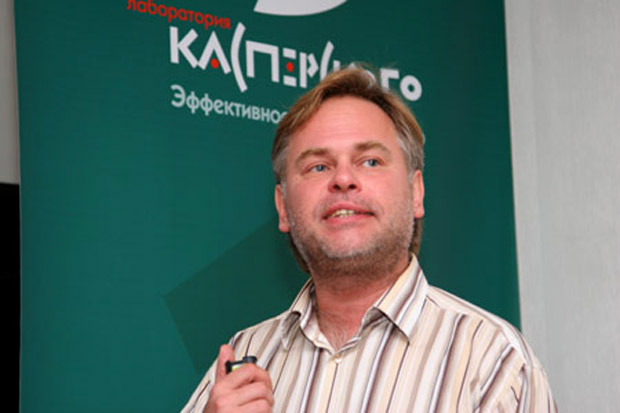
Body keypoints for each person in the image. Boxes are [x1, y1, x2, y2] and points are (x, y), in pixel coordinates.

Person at [182, 67, 557, 412]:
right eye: (318, 166)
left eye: (370, 161)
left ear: (416, 193)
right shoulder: (242, 359)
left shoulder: (493, 362)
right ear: (283, 207)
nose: (343, 179)